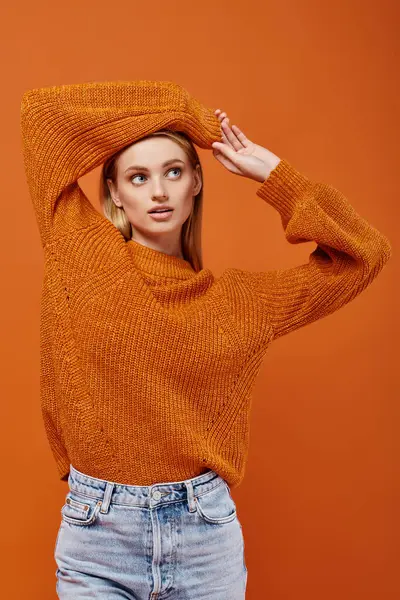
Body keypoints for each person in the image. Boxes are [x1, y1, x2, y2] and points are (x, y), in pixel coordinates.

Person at [20, 80, 391, 599]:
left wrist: (276, 176)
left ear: (196, 181)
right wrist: (191, 117)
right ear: (115, 193)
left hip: (203, 538)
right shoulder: (80, 251)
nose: (158, 191)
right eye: (138, 176)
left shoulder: (239, 303)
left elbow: (364, 255)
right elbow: (42, 114)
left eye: (173, 172)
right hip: (97, 536)